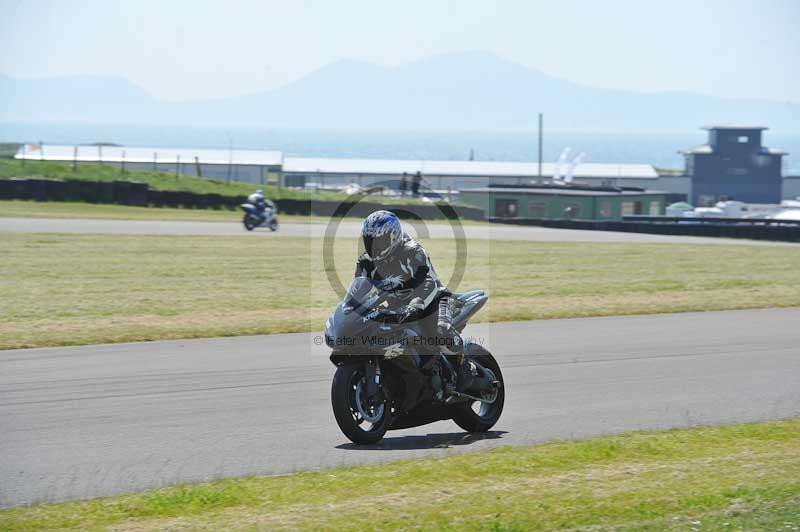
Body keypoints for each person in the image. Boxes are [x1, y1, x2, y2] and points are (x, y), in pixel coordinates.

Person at [353, 210, 466, 399]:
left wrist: (417, 303)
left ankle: (464, 369)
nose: (373, 247)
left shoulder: (412, 251)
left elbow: (428, 282)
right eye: (369, 241)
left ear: (393, 237)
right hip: (399, 308)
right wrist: (351, 309)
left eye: (378, 242)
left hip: (434, 301)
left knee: (440, 330)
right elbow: (358, 291)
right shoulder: (366, 262)